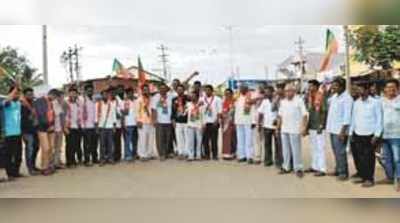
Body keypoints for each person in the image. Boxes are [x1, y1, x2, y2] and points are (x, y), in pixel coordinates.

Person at [349, 83, 383, 188]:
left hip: (370, 134)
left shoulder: (375, 103)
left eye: (361, 89)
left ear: (367, 90)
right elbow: (353, 118)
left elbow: (379, 119)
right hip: (357, 133)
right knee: (359, 157)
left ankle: (369, 179)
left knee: (369, 157)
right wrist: (351, 133)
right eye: (358, 90)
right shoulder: (356, 103)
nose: (359, 92)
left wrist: (377, 135)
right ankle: (362, 176)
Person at [277, 84, 308, 178]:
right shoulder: (283, 102)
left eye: (289, 91)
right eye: (286, 91)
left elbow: (305, 115)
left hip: (295, 129)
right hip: (284, 129)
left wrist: (303, 127)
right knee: (285, 150)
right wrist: (278, 128)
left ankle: (298, 168)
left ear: (294, 91)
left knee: (296, 150)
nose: (287, 93)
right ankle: (286, 167)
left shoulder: (299, 100)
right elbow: (280, 116)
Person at [326, 77, 353, 181]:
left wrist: (342, 132)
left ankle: (343, 173)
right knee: (335, 151)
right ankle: (338, 169)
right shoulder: (334, 97)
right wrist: (329, 90)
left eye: (336, 86)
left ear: (342, 86)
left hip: (340, 130)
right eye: (333, 85)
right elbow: (327, 101)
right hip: (332, 128)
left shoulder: (347, 98)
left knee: (340, 151)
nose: (334, 87)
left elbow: (347, 117)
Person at [378, 79, 400, 191]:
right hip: (384, 134)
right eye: (388, 87)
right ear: (385, 89)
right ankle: (390, 177)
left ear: (397, 88)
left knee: (397, 158)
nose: (391, 89)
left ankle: (399, 180)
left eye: (393, 87)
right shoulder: (381, 101)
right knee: (386, 158)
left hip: (397, 135)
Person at [305, 80, 328, 177]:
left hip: (319, 126)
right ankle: (314, 166)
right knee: (313, 147)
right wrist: (306, 126)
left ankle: (322, 169)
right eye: (308, 86)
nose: (309, 88)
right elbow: (308, 113)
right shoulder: (309, 97)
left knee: (320, 148)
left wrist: (321, 125)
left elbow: (324, 111)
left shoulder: (321, 96)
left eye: (311, 86)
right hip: (311, 126)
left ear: (316, 86)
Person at [1, 85, 23, 180]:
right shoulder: (6, 103)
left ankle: (15, 172)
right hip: (9, 133)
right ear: (10, 94)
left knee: (18, 154)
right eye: (15, 93)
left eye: (18, 94)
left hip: (18, 132)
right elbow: (7, 100)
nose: (17, 95)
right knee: (8, 155)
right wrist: (14, 90)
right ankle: (9, 174)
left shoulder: (18, 103)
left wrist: (18, 88)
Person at [34, 89, 57, 176]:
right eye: (54, 97)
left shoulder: (50, 103)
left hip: (50, 127)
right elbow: (41, 114)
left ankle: (49, 166)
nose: (54, 99)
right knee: (46, 148)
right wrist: (49, 125)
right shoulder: (40, 101)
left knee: (51, 148)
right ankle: (44, 167)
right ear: (51, 94)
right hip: (42, 127)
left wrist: (52, 124)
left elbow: (52, 115)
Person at [258, 86, 281, 168]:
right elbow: (260, 113)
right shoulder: (264, 101)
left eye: (268, 92)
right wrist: (259, 124)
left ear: (272, 92)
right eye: (265, 92)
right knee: (267, 144)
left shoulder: (278, 100)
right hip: (266, 126)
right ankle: (268, 160)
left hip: (276, 126)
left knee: (278, 145)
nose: (266, 94)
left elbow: (281, 113)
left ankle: (278, 161)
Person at [235, 84, 257, 164]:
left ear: (247, 89)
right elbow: (237, 110)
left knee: (249, 140)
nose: (241, 90)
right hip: (239, 121)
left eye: (243, 88)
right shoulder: (238, 97)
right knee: (240, 139)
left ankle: (249, 157)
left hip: (248, 121)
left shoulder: (251, 96)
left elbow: (254, 110)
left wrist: (254, 121)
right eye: (241, 88)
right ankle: (242, 156)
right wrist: (236, 121)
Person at [21, 88, 40, 175]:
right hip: (26, 131)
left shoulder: (33, 104)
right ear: (24, 95)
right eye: (28, 94)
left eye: (31, 94)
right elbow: (25, 119)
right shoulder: (22, 105)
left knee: (36, 148)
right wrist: (32, 114)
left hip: (35, 130)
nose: (31, 96)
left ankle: (33, 165)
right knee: (30, 149)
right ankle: (30, 169)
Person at [96, 87, 118, 165]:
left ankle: (110, 158)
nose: (105, 96)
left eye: (106, 94)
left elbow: (114, 115)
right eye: (103, 94)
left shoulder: (111, 104)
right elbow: (96, 115)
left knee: (110, 144)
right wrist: (97, 126)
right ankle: (102, 159)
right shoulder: (98, 104)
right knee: (102, 144)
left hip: (110, 126)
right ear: (101, 96)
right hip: (102, 127)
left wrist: (114, 126)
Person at [152, 83, 174, 161]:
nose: (162, 90)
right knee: (160, 139)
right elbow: (154, 109)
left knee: (168, 139)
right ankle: (161, 154)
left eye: (164, 88)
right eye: (161, 88)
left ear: (166, 89)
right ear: (159, 89)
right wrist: (154, 119)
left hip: (168, 121)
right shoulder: (155, 97)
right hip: (159, 121)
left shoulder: (170, 96)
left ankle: (167, 153)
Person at [202, 85, 222, 160]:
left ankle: (215, 155)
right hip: (205, 122)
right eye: (206, 90)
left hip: (214, 122)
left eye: (208, 90)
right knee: (205, 140)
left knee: (214, 140)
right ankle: (207, 155)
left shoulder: (217, 99)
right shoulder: (202, 99)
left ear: (212, 91)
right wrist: (202, 123)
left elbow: (219, 111)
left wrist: (217, 121)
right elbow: (201, 112)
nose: (207, 92)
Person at [65, 87, 82, 168]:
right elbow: (63, 116)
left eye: (74, 93)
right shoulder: (65, 103)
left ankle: (74, 160)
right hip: (69, 127)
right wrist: (65, 127)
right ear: (69, 94)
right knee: (69, 145)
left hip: (77, 126)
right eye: (71, 93)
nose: (73, 94)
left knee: (76, 144)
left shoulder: (78, 103)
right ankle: (69, 162)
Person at [81, 84, 99, 166]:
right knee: (87, 144)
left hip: (94, 125)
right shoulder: (83, 101)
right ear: (85, 91)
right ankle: (87, 160)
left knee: (94, 143)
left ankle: (95, 158)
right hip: (86, 126)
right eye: (88, 90)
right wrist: (82, 126)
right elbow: (80, 114)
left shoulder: (95, 100)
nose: (90, 92)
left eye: (91, 90)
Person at [172, 84, 190, 159]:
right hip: (178, 121)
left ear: (183, 90)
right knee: (179, 138)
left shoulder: (188, 98)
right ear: (176, 91)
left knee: (187, 137)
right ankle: (180, 152)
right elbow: (172, 110)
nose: (179, 91)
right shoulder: (174, 99)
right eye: (178, 89)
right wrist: (173, 120)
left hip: (186, 121)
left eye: (181, 89)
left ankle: (187, 152)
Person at [137, 84, 154, 161]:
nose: (146, 91)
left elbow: (154, 110)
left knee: (150, 139)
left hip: (151, 121)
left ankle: (149, 154)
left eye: (147, 89)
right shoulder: (139, 100)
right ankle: (142, 155)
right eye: (144, 90)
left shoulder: (152, 99)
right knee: (142, 139)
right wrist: (138, 120)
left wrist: (154, 120)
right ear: (142, 91)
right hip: (142, 122)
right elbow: (136, 111)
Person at [121, 88, 139, 162]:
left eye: (132, 93)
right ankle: (128, 155)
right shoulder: (124, 102)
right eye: (129, 93)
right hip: (128, 124)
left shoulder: (136, 101)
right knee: (128, 141)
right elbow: (123, 114)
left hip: (136, 124)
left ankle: (134, 153)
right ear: (127, 94)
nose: (131, 94)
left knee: (135, 140)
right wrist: (123, 124)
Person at [186, 91, 204, 161]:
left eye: (194, 96)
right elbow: (185, 113)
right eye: (191, 96)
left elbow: (203, 115)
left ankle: (198, 155)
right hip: (190, 125)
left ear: (197, 97)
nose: (192, 97)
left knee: (199, 141)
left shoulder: (201, 104)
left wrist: (203, 125)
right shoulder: (188, 104)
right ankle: (191, 155)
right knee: (190, 141)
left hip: (198, 125)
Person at [51, 90, 66, 170]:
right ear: (57, 97)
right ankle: (53, 163)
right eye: (61, 97)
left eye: (63, 97)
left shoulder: (60, 105)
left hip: (59, 129)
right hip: (54, 130)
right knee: (54, 147)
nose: (63, 98)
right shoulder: (53, 104)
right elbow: (59, 117)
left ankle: (57, 162)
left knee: (58, 147)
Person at [221, 88, 236, 160]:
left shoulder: (234, 102)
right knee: (225, 137)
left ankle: (232, 153)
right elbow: (222, 111)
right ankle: (226, 153)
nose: (227, 95)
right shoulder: (224, 102)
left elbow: (234, 112)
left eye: (228, 94)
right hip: (224, 122)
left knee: (232, 138)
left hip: (232, 122)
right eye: (226, 94)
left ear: (232, 94)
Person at [252, 85, 265, 164]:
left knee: (264, 141)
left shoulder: (266, 101)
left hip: (265, 124)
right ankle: (258, 157)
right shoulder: (255, 105)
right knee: (257, 140)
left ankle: (264, 157)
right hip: (256, 123)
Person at [112, 87, 123, 163]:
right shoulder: (108, 100)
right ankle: (110, 155)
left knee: (117, 141)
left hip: (118, 124)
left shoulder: (118, 100)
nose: (113, 93)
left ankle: (117, 156)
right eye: (111, 92)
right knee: (110, 141)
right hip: (109, 124)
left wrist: (119, 114)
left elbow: (122, 110)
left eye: (114, 92)